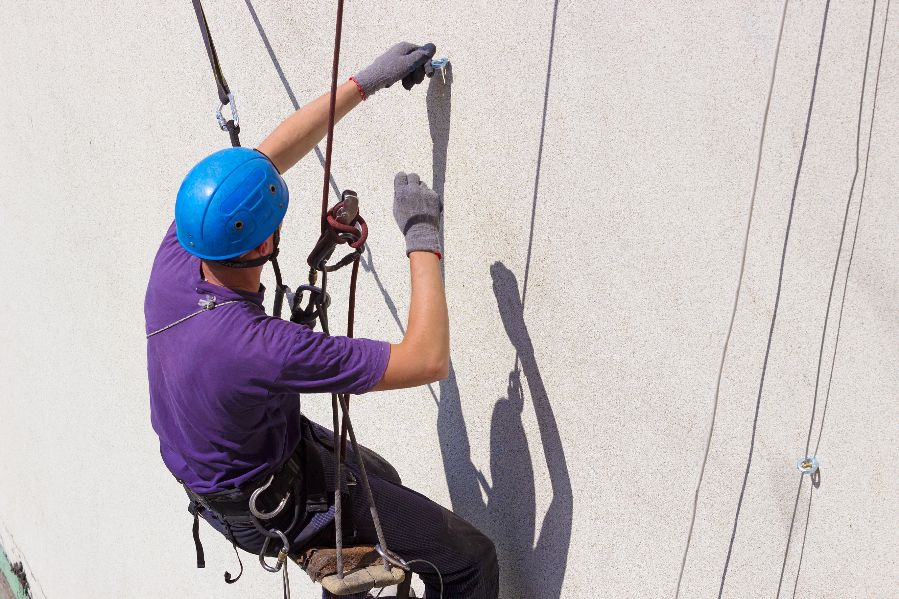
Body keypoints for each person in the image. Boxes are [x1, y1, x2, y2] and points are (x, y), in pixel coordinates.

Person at [144, 42, 497, 598]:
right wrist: (423, 237)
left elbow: (264, 160)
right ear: (265, 242)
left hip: (226, 470)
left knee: (382, 477)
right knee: (471, 558)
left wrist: (365, 82)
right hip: (266, 502)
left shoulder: (184, 250)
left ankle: (359, 555)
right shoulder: (259, 345)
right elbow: (427, 358)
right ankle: (323, 543)